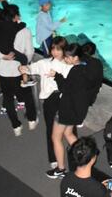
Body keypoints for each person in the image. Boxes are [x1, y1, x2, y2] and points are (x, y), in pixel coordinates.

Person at [19, 36, 71, 173]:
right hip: (49, 100)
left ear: (64, 50)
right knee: (51, 130)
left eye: (59, 49)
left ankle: (75, 158)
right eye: (53, 48)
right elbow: (30, 69)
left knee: (69, 132)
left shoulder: (69, 65)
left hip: (64, 99)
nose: (55, 52)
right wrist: (22, 68)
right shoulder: (44, 63)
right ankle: (53, 159)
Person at [0, 4, 37, 136]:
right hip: (19, 69)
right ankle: (31, 120)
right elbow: (29, 51)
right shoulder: (25, 30)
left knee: (8, 98)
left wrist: (2, 56)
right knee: (27, 95)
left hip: (3, 69)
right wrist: (27, 62)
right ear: (16, 16)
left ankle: (16, 126)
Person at [48, 43, 88, 178]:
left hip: (66, 110)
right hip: (75, 110)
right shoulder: (84, 68)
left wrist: (57, 76)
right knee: (69, 134)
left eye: (67, 57)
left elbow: (65, 88)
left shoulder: (74, 71)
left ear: (75, 57)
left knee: (55, 137)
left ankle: (60, 169)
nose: (65, 58)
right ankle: (85, 158)